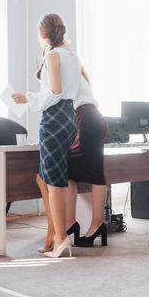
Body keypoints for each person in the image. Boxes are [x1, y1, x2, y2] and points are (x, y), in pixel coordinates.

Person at [12, 13, 81, 258]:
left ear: (43, 35)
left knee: (53, 181)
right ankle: (53, 234)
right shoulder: (72, 55)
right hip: (69, 117)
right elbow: (68, 91)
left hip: (54, 117)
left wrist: (28, 98)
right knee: (45, 179)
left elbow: (55, 92)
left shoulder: (53, 55)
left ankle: (62, 239)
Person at [35, 66, 109, 250]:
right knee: (68, 171)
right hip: (87, 119)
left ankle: (96, 225)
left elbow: (53, 99)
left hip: (85, 119)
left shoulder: (62, 70)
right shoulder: (75, 71)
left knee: (94, 172)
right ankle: (69, 223)